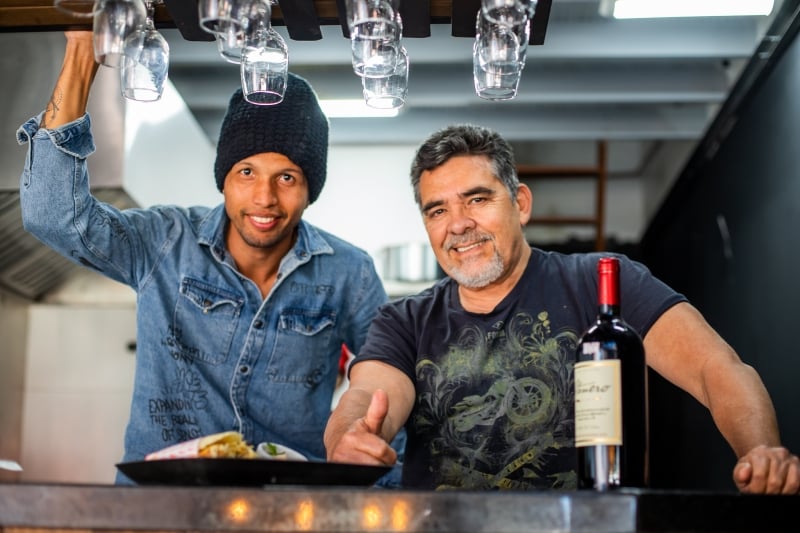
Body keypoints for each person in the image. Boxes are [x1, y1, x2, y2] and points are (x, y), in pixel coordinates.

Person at [324, 123, 800, 494]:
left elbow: (717, 369)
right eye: (437, 210)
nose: (459, 225)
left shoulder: (603, 283)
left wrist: (760, 451)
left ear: (521, 203)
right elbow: (368, 398)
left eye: (478, 199)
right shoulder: (405, 321)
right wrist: (350, 436)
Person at [17, 31, 388, 484]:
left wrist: (379, 491)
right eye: (246, 172)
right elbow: (53, 215)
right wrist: (81, 51)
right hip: (161, 509)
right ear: (224, 178)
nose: (264, 198)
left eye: (287, 177)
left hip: (291, 509)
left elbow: (387, 383)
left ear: (311, 188)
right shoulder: (163, 242)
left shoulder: (351, 273)